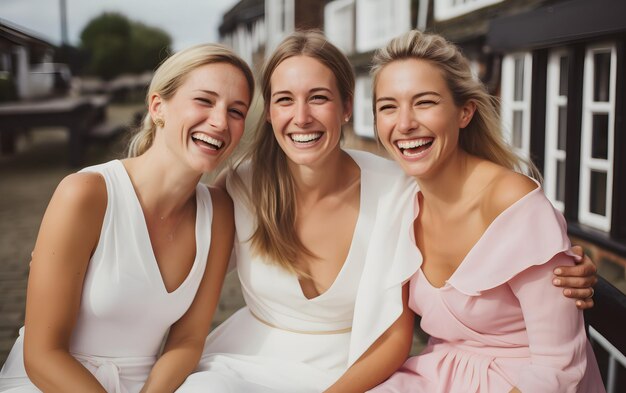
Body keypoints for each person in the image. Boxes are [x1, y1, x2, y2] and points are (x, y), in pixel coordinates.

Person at [178, 31, 597, 393]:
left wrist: (554, 254)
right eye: (389, 107)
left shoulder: (399, 191)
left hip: (372, 369)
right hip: (427, 372)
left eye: (319, 98)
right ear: (269, 113)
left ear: (346, 108)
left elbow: (550, 346)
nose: (405, 123)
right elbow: (175, 257)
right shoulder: (242, 186)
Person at [0, 43, 255, 393]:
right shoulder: (86, 194)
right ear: (158, 106)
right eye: (204, 100)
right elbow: (42, 355)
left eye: (237, 111)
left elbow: (189, 340)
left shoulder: (219, 213)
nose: (220, 121)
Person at [369, 30, 604, 392]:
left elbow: (559, 369)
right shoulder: (399, 202)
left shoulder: (513, 203)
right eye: (388, 106)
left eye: (425, 102)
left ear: (465, 112)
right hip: (438, 375)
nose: (404, 124)